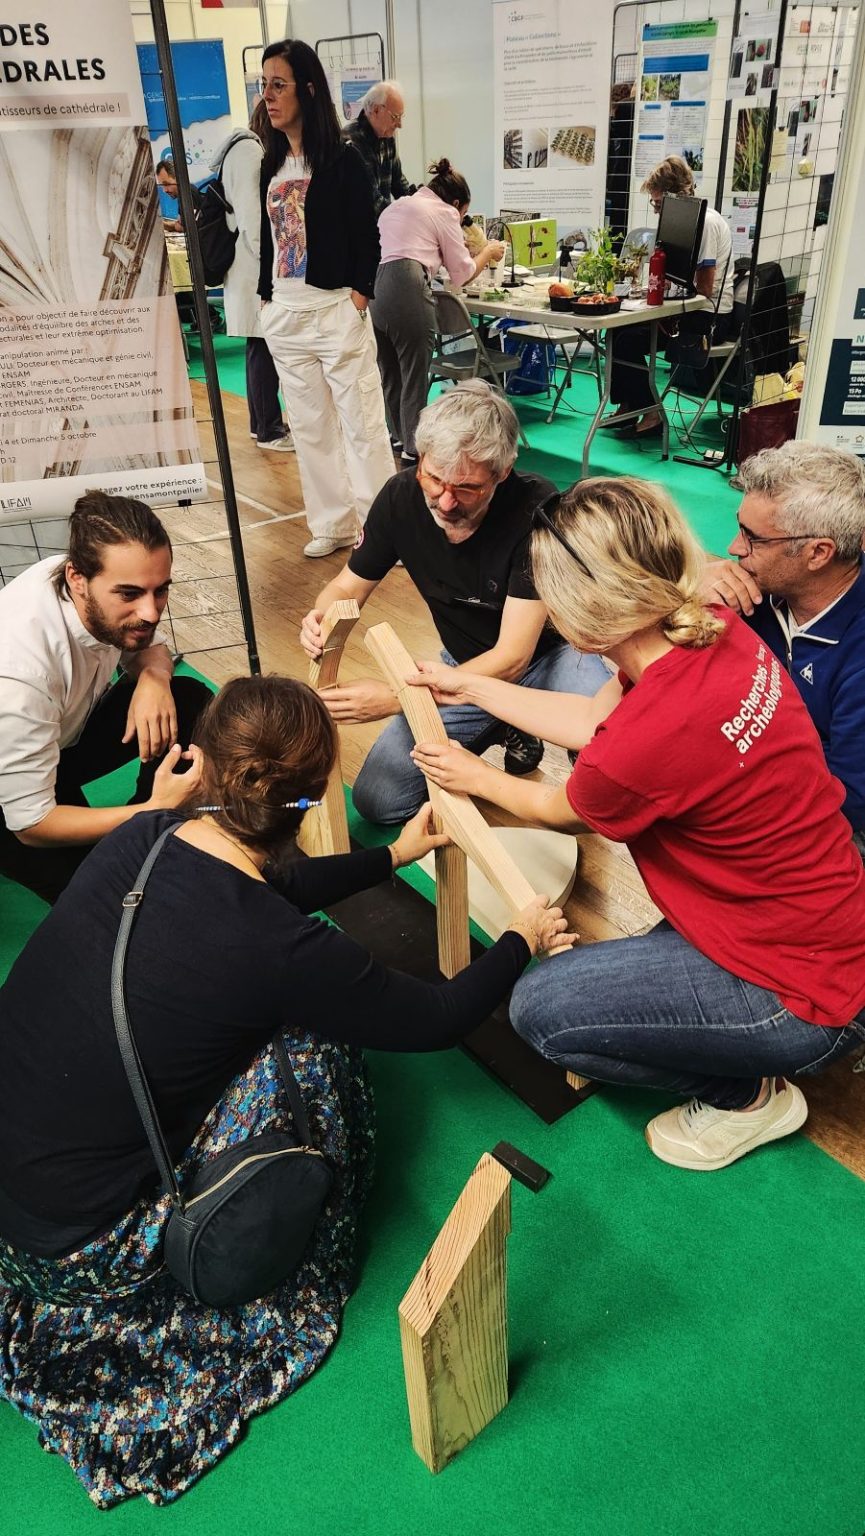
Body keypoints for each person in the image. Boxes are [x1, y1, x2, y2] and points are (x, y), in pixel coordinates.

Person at [0, 673, 569, 1507]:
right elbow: (440, 1017)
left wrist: (392, 855)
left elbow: (264, 879)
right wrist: (519, 938)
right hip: (87, 1250)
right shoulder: (282, 949)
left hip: (16, 1212)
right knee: (307, 1048)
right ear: (304, 800)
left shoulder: (147, 832)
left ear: (211, 765)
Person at [410, 476, 865, 1173]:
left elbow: (555, 808)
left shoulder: (642, 741)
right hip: (819, 918)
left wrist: (473, 775)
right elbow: (593, 722)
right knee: (616, 987)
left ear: (583, 622)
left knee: (542, 1011)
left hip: (807, 996)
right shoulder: (712, 629)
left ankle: (749, 1098)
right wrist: (470, 685)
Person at [299, 381, 611, 823]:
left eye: (467, 488)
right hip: (465, 664)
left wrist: (399, 697)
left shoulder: (536, 509)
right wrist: (320, 618)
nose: (445, 502)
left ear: (503, 473)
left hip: (551, 656)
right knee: (379, 800)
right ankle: (506, 722)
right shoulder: (400, 497)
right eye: (434, 479)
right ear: (421, 457)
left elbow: (514, 657)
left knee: (610, 739)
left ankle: (519, 720)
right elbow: (347, 586)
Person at [0, 491, 210, 906]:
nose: (151, 612)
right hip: (11, 791)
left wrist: (154, 676)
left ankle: (154, 834)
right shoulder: (19, 672)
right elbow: (32, 824)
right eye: (129, 594)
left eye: (160, 590)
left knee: (188, 699)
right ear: (77, 578)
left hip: (58, 740)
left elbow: (150, 647)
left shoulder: (89, 585)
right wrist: (153, 809)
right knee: (114, 900)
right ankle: (153, 818)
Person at [256, 38, 395, 559]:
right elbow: (270, 238)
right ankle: (332, 524)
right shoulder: (271, 163)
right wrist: (267, 299)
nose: (268, 95)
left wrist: (358, 297)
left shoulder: (342, 160)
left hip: (335, 310)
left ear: (309, 90)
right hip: (286, 315)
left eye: (279, 84)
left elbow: (368, 236)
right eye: (264, 84)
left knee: (363, 426)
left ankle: (382, 533)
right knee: (311, 428)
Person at [699, 441, 865, 849]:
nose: (734, 548)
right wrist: (695, 583)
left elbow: (847, 804)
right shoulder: (764, 588)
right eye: (739, 527)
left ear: (818, 553)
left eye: (752, 538)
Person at [370, 158, 505, 461]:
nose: (461, 221)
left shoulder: (398, 205)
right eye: (464, 215)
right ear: (456, 204)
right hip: (406, 285)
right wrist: (487, 252)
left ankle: (398, 437)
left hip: (376, 287)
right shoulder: (444, 212)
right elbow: (462, 274)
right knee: (414, 374)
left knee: (391, 372)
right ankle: (414, 449)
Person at [602, 154, 734, 438]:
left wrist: (665, 307)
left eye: (659, 204)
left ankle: (652, 413)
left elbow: (705, 289)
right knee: (615, 331)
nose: (656, 211)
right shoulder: (680, 221)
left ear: (677, 195)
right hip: (689, 308)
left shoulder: (706, 223)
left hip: (709, 316)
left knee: (628, 340)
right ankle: (630, 405)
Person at [212, 103, 294, 451]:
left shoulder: (240, 149)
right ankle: (269, 430)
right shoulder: (248, 152)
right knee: (263, 345)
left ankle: (260, 423)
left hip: (246, 266)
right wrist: (274, 265)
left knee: (258, 346)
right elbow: (252, 220)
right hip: (253, 267)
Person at [343, 80, 412, 219]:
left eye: (401, 116)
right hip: (360, 228)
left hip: (383, 224)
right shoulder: (350, 143)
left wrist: (421, 202)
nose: (399, 124)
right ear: (375, 110)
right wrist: (406, 215)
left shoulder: (387, 138)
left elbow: (399, 184)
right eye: (395, 117)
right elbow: (372, 202)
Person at [156, 156, 182, 231]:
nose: (164, 190)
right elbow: (180, 226)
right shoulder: (182, 197)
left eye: (167, 184)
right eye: (162, 185)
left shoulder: (189, 197)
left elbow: (185, 228)